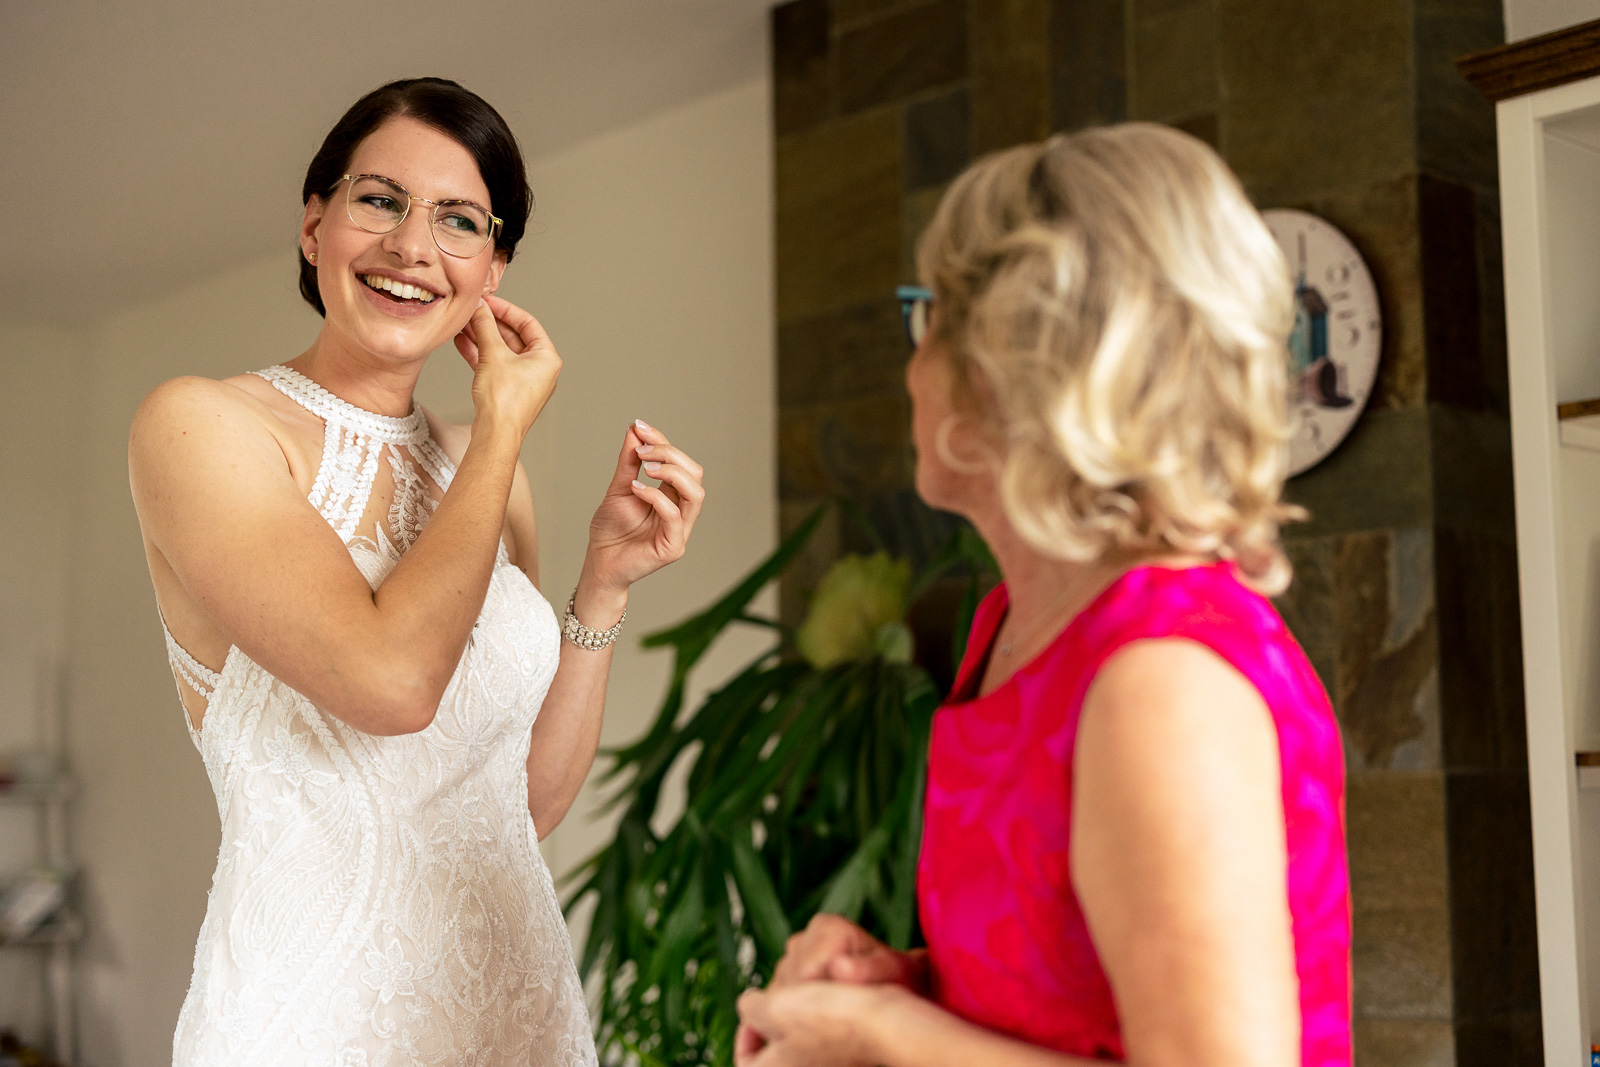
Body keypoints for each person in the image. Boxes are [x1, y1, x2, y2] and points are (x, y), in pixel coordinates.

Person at [734, 124, 1350, 1066]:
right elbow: (1069, 995)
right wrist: (902, 983)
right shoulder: (1011, 626)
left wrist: (887, 1036)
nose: (910, 365)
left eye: (924, 317)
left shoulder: (1161, 681)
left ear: (1010, 369)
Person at [128, 77, 704, 1067]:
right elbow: (390, 682)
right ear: (315, 225)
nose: (410, 247)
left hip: (511, 1013)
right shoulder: (202, 426)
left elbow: (514, 806)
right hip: (308, 1020)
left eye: (458, 220)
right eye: (379, 200)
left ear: (494, 268)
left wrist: (601, 586)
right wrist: (504, 421)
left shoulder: (494, 475)